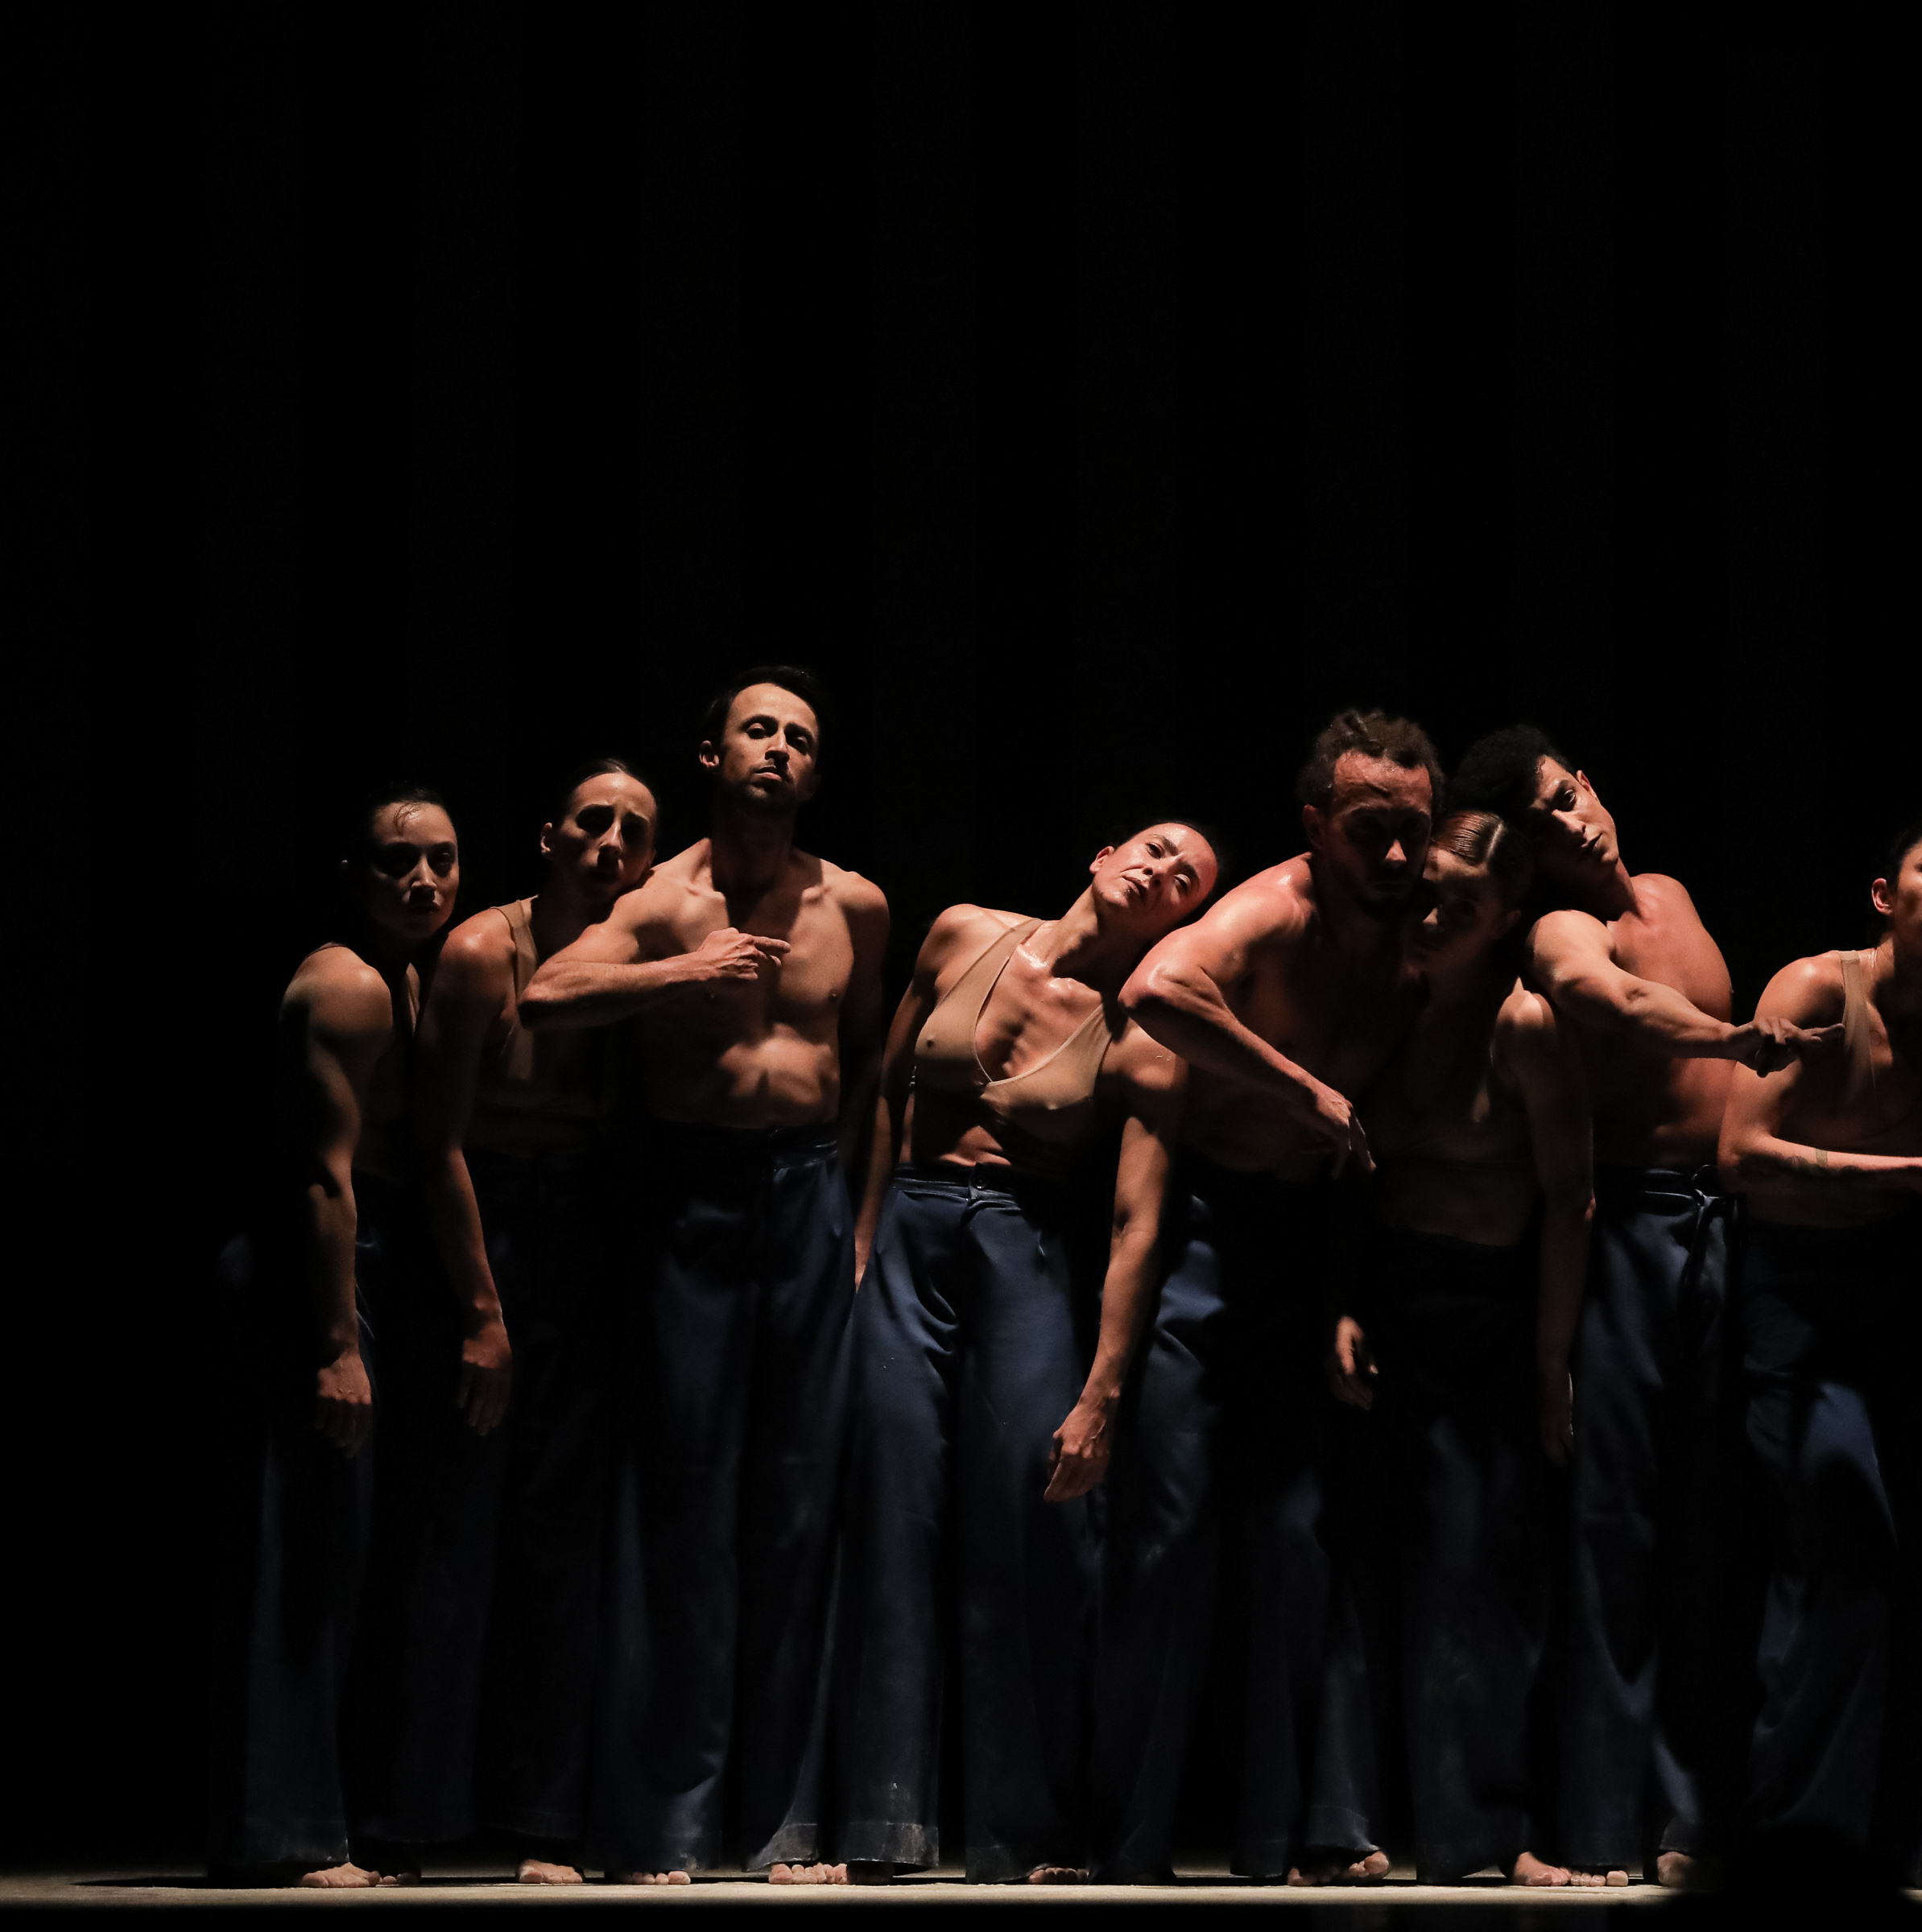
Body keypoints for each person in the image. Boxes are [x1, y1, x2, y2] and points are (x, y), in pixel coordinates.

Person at [520, 669, 889, 1886]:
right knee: (682, 1507)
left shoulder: (859, 904)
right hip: (691, 1194)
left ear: (816, 773)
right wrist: (681, 975)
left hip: (807, 1199)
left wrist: (859, 1223)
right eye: (758, 731)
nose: (779, 749)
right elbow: (547, 990)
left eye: (801, 737)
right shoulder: (663, 894)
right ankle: (664, 1825)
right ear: (712, 755)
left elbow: (869, 1071)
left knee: (796, 1511)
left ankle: (783, 1827)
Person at [1449, 726, 1828, 1885]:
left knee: (1715, 1530)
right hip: (1630, 1228)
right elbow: (1594, 998)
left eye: (1571, 797)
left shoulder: (1670, 891)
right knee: (1618, 1531)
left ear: (1594, 784)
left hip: (1727, 1225)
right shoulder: (1571, 928)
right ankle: (1603, 1824)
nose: (1572, 824)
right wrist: (1733, 1036)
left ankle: (1689, 1824)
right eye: (1545, 823)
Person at [827, 821, 1221, 1883]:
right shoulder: (962, 934)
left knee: (1026, 1521)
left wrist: (1102, 1391)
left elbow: (1140, 1223)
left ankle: (1021, 1827)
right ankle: (881, 1824)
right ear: (1100, 853)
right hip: (911, 1228)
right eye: (1153, 849)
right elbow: (887, 1091)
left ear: (1183, 918)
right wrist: (863, 1239)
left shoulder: (1145, 1029)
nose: (1161, 872)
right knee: (893, 1507)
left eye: (1186, 880)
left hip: (1024, 1245)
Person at [1098, 708, 1440, 1885]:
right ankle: (1127, 1842)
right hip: (1206, 1233)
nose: (1391, 857)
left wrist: (1346, 1295)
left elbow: (1363, 1155)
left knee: (1297, 1545)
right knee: (1172, 1532)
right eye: (1367, 832)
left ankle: (1287, 1834)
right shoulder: (1274, 910)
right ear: (1316, 827)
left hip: (1305, 1245)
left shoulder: (1409, 949)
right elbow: (1154, 989)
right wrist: (1303, 1089)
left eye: (1410, 832)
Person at [335, 763, 659, 1885]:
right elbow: (439, 1146)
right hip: (483, 1230)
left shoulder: (641, 956)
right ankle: (409, 1818)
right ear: (550, 840)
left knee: (562, 1545)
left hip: (584, 1234)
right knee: (450, 1533)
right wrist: (482, 1312)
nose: (612, 842)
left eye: (633, 830)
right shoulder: (485, 952)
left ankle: (540, 1824)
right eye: (592, 822)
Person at [1715, 810, 1922, 1885]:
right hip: (1788, 1289)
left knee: (1908, 1564)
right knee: (1831, 1541)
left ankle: (1898, 1834)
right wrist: (1908, 1175)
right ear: (1885, 896)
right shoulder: (1815, 991)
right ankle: (1792, 1837)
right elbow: (1740, 1153)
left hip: (1894, 1294)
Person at [1325, 809, 1599, 1888]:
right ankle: (1354, 1828)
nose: (1432, 917)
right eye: (1428, 893)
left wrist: (1547, 1362)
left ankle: (1488, 1832)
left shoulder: (1523, 1024)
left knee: (1479, 1582)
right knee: (1361, 1572)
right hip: (1390, 1307)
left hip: (1488, 1318)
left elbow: (1570, 1199)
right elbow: (1352, 1169)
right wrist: (1341, 1305)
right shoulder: (1387, 1005)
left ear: (1506, 922)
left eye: (1463, 907)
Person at [209, 786, 462, 1886]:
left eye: (443, 862)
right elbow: (324, 1177)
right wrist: (337, 1341)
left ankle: (326, 1817)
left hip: (362, 1270)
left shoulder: (411, 977)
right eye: (398, 863)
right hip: (314, 1276)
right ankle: (290, 1829)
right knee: (304, 1547)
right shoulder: (348, 983)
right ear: (355, 877)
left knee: (347, 1549)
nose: (424, 882)